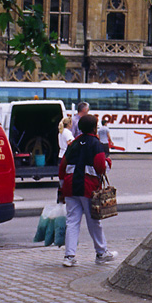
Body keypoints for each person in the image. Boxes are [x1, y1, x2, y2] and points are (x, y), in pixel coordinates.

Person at [58, 114, 117, 268]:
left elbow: (62, 166)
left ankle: (69, 256)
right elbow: (100, 167)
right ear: (94, 127)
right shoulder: (96, 144)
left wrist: (62, 187)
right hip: (88, 188)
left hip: (70, 187)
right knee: (94, 222)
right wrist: (108, 161)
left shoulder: (74, 143)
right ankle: (101, 252)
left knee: (72, 222)